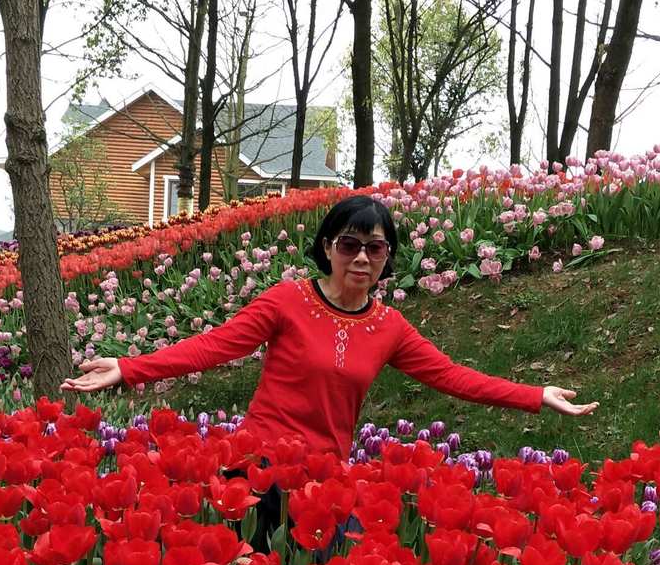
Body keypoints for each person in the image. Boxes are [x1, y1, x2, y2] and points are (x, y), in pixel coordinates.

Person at [63, 195, 598, 540]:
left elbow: (454, 376)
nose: (362, 258)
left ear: (388, 257)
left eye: (376, 248)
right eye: (350, 245)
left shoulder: (388, 326)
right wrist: (131, 368)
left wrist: (534, 394)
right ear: (327, 247)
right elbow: (214, 346)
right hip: (256, 471)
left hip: (325, 480)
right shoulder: (286, 302)